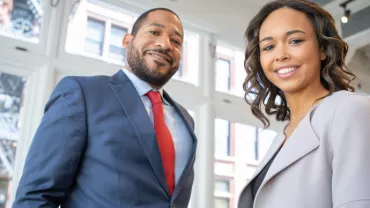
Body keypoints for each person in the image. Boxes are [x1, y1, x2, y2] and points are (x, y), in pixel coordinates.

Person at [13, 8, 197, 208]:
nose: (165, 44)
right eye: (154, 32)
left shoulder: (186, 120)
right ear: (127, 40)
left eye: (176, 41)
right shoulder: (82, 94)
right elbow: (36, 196)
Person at [238, 0, 370, 207]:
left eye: (295, 41)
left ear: (323, 49)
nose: (281, 55)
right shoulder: (283, 135)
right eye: (269, 46)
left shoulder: (350, 110)